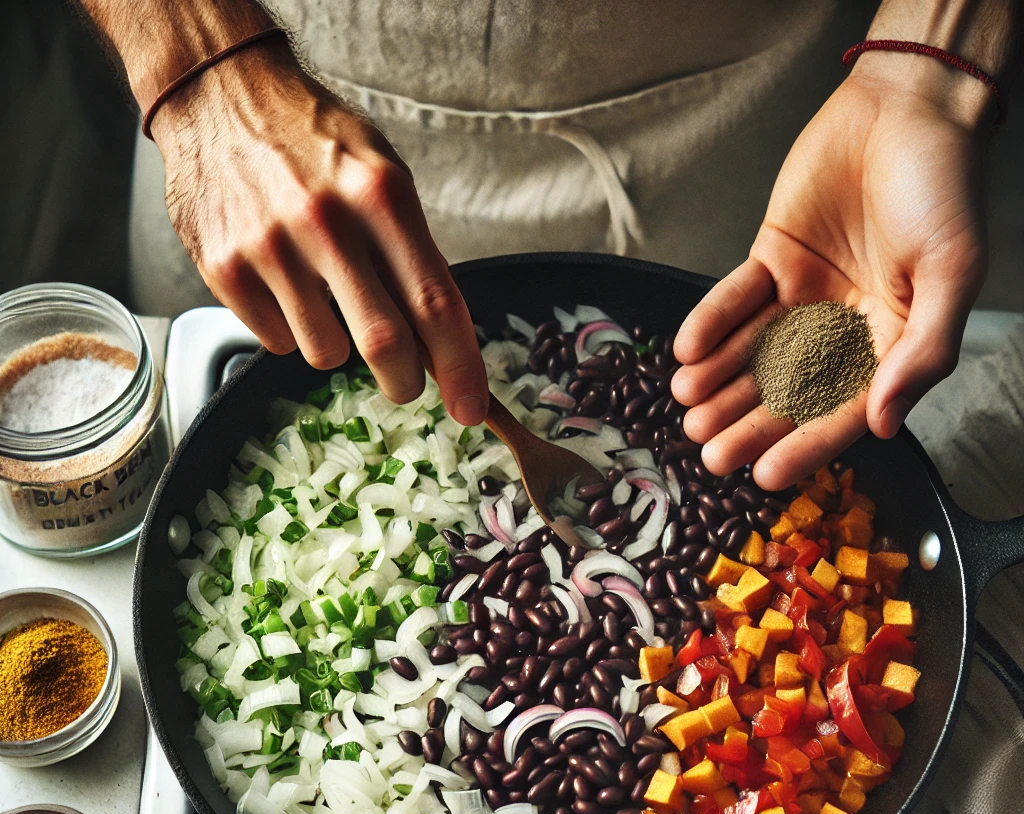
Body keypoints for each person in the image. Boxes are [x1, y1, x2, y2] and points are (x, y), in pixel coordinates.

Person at [79, 0, 1019, 489]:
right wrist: (197, 65)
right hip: (254, 123)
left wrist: (922, 68)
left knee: (719, 392)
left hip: (741, 139)